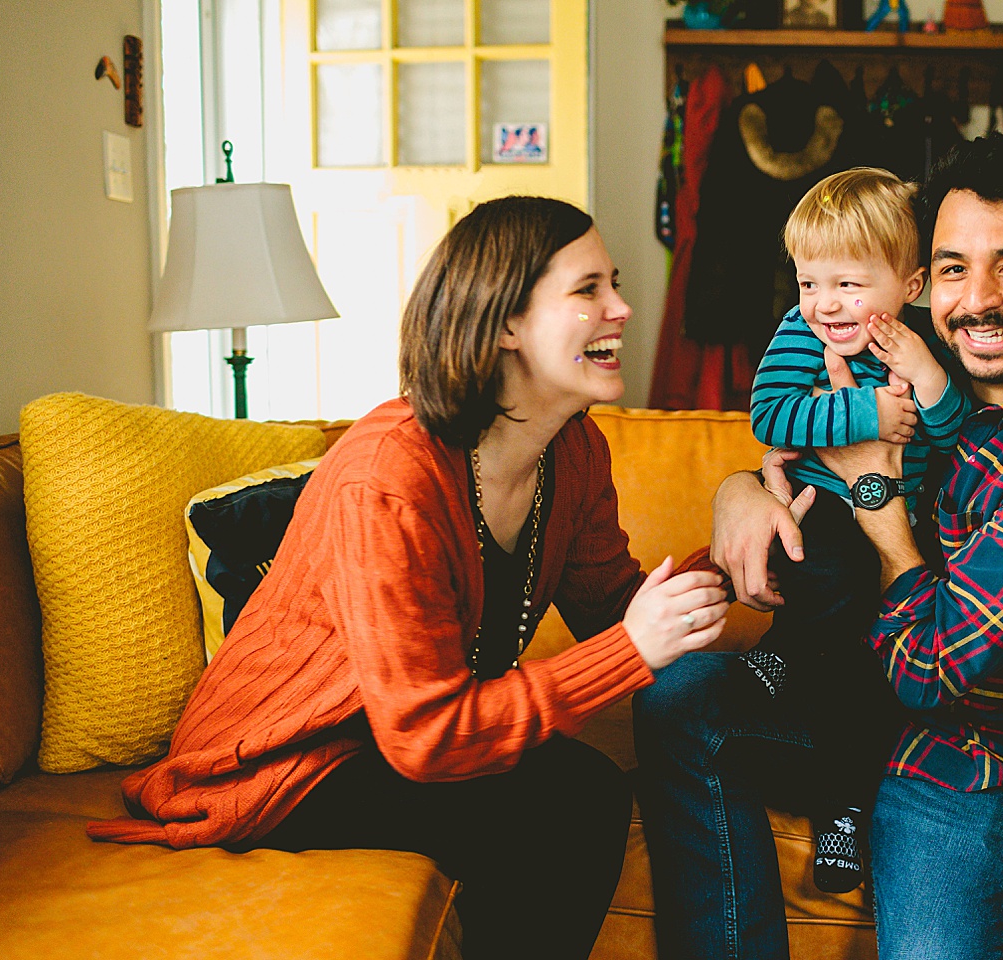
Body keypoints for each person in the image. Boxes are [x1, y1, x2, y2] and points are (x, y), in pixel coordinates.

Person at [87, 196, 732, 960]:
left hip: (386, 740)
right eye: (588, 289)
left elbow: (614, 607)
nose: (623, 308)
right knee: (568, 801)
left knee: (576, 789)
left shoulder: (574, 450)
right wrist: (632, 647)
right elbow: (428, 738)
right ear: (504, 323)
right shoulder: (390, 473)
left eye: (614, 283)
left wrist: (739, 552)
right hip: (286, 763)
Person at [633, 134, 1003, 960]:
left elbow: (932, 673)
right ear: (922, 280)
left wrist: (875, 492)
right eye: (954, 267)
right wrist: (739, 489)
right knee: (680, 700)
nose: (976, 299)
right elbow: (803, 445)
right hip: (848, 695)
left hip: (973, 762)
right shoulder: (916, 352)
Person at [740, 167, 969, 893]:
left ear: (911, 283)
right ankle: (784, 654)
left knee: (871, 670)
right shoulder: (799, 335)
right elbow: (770, 416)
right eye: (809, 283)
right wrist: (868, 418)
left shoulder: (927, 340)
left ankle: (847, 814)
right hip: (826, 516)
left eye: (847, 284)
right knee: (835, 580)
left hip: (905, 523)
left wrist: (927, 378)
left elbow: (953, 431)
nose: (824, 304)